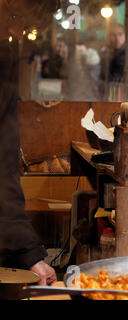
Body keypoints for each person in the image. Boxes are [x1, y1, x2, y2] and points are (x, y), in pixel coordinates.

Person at [0, 0, 59, 286]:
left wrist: (27, 254)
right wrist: (26, 253)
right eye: (12, 16)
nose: (17, 31)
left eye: (26, 25)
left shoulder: (5, 51)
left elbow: (4, 157)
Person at [101, 23, 128, 101]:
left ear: (126, 36)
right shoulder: (111, 53)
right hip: (113, 99)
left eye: (120, 34)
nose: (117, 38)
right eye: (113, 35)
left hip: (127, 101)